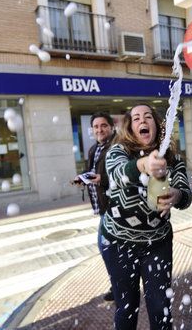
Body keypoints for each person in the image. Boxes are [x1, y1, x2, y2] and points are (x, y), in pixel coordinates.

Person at [100, 104, 192, 330]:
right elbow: (118, 173)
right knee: (126, 308)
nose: (143, 120)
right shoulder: (117, 151)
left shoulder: (173, 159)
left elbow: (186, 195)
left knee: (161, 308)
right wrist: (144, 165)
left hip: (157, 244)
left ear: (156, 124)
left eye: (148, 116)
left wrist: (176, 195)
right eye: (136, 118)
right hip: (118, 243)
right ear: (130, 127)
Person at [73, 111, 116, 301]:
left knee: (105, 245)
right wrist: (82, 178)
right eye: (96, 127)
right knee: (112, 247)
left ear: (111, 127)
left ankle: (119, 284)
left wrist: (102, 179)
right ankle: (121, 282)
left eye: (103, 125)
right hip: (102, 205)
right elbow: (91, 172)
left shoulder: (117, 146)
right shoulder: (93, 149)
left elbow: (122, 172)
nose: (100, 129)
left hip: (114, 205)